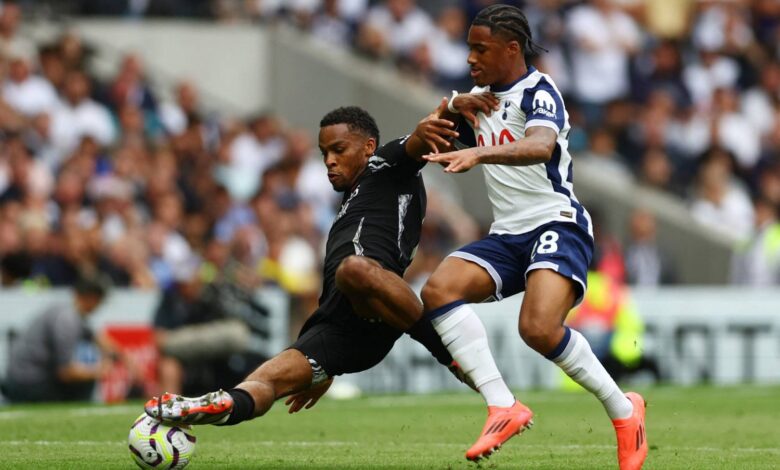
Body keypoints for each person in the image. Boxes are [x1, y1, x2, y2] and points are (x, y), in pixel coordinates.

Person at [145, 104, 476, 427]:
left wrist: (453, 105)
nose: (329, 160)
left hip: (375, 305)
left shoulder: (385, 165)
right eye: (324, 153)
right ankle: (215, 405)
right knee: (262, 380)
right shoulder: (349, 205)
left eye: (338, 149)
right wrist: (321, 367)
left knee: (353, 269)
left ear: (368, 147)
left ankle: (447, 354)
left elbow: (421, 136)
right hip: (336, 328)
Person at [419, 5, 647, 468]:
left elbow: (541, 145)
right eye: (469, 48)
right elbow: (431, 134)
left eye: (480, 49)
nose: (470, 58)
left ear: (511, 49)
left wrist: (479, 153)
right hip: (507, 234)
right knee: (438, 290)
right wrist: (449, 107)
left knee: (538, 329)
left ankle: (624, 411)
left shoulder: (540, 91)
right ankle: (503, 406)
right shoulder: (477, 98)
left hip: (556, 222)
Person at [2, 274, 133, 402]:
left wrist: (125, 358)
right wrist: (99, 370)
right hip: (29, 382)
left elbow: (98, 339)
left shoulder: (67, 312)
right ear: (92, 298)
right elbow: (65, 372)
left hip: (22, 378)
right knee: (85, 383)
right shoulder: (67, 321)